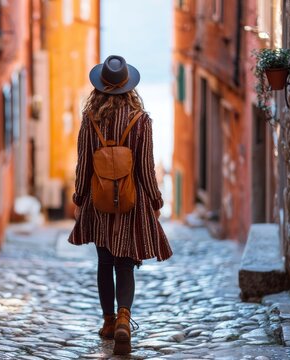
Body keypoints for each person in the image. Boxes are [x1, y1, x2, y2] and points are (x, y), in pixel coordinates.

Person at [68, 55, 173, 355]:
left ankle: (108, 321)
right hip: (131, 203)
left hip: (99, 203)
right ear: (129, 87)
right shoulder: (142, 122)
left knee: (104, 262)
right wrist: (155, 201)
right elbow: (145, 168)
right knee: (125, 263)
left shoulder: (91, 120)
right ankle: (125, 318)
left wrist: (78, 198)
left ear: (100, 88)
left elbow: (84, 164)